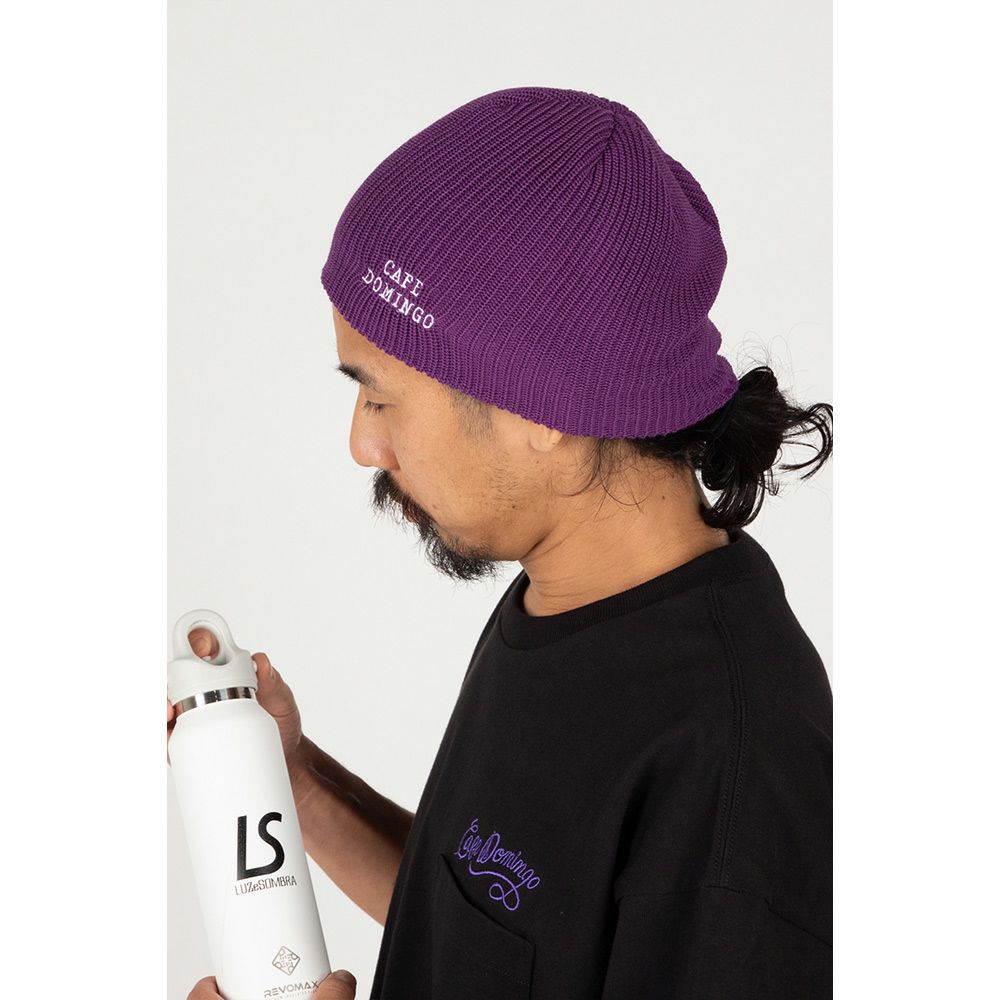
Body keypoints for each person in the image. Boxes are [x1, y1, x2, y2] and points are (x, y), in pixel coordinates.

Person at [169, 85, 833, 999]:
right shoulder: (566, 596)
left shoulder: (734, 772)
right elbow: (499, 937)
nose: (362, 444)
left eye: (380, 396)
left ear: (542, 408)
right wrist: (296, 780)